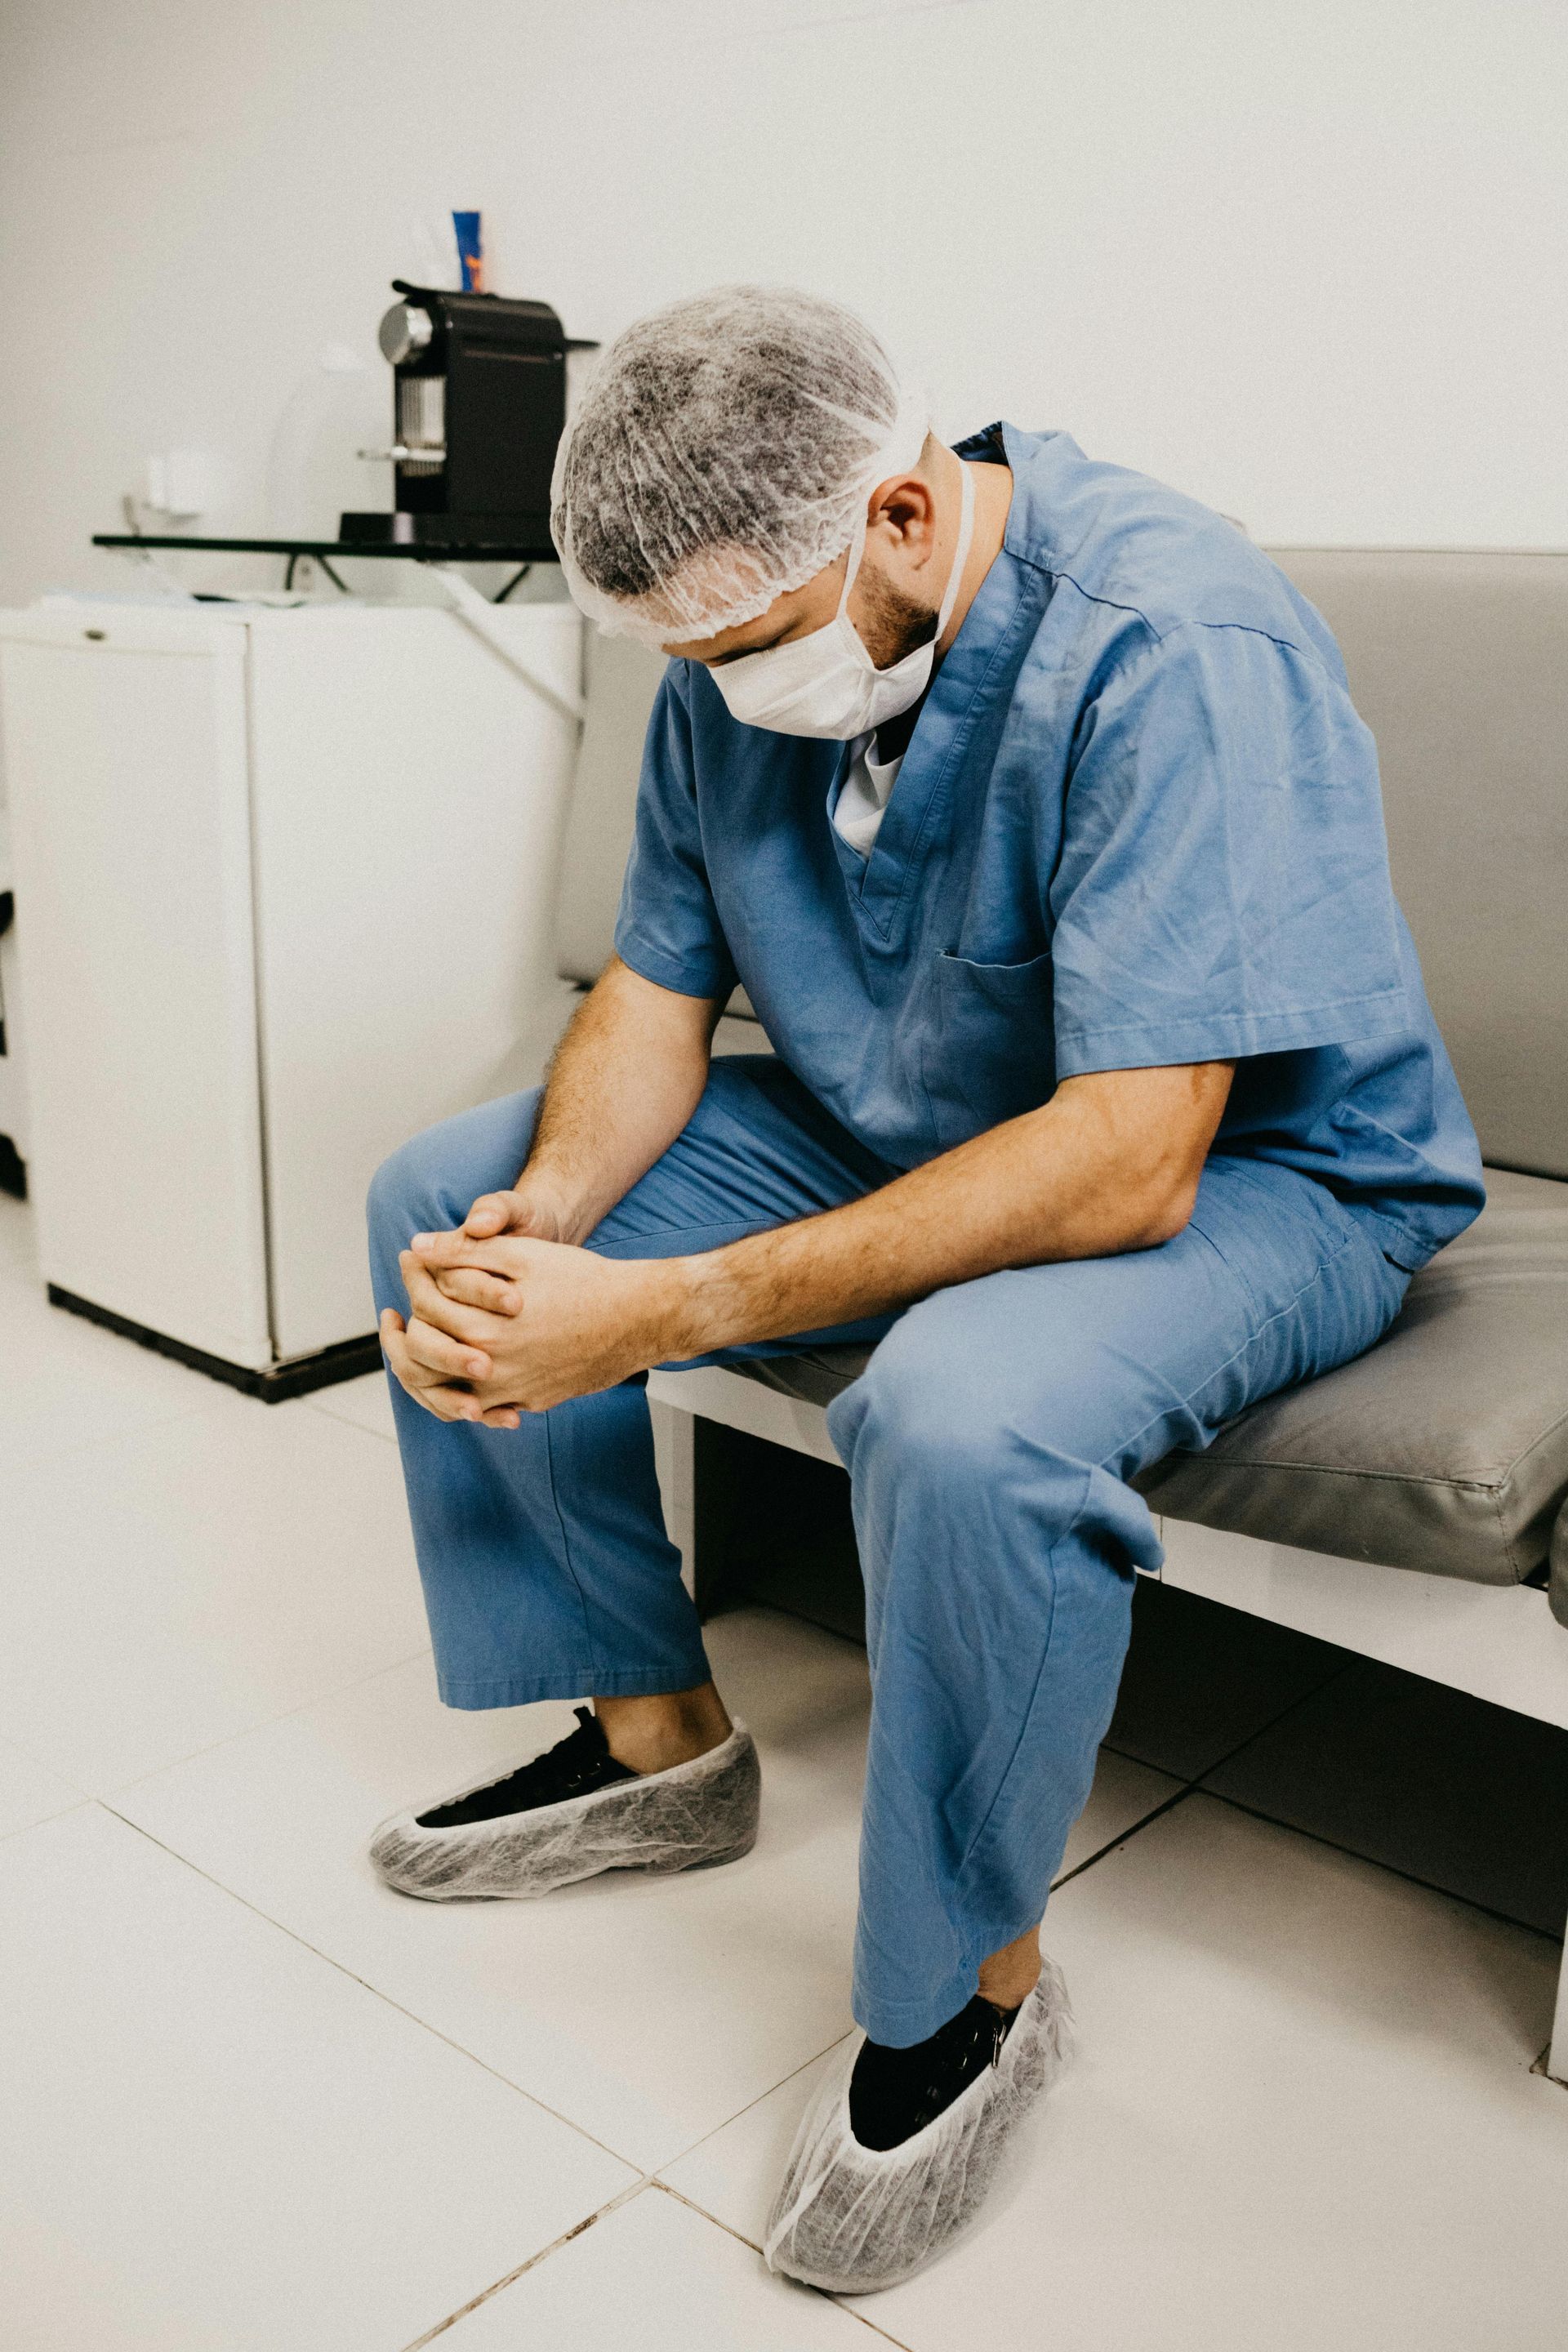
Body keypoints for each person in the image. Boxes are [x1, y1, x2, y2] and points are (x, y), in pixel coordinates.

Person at [366, 285, 1483, 2292]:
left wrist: (669, 1305)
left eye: (744, 649)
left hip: (1261, 1172)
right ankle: (654, 1750)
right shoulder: (743, 638)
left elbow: (1134, 1152)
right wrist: (550, 1218)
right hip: (923, 1117)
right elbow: (656, 989)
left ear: (898, 513)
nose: (724, 691)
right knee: (439, 1196)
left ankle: (971, 1988)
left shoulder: (1169, 637)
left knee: (961, 1409)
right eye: (688, 662)